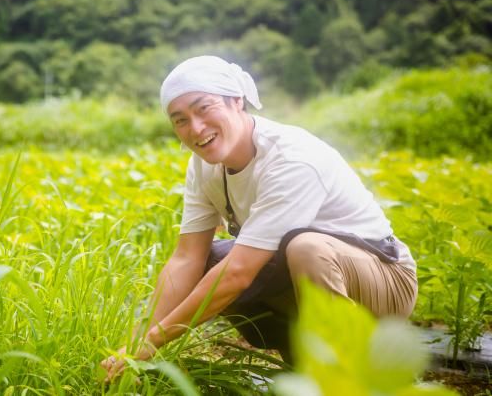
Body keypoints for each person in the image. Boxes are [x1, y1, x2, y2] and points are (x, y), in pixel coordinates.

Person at [101, 55, 417, 381]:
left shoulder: (292, 158)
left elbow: (238, 273)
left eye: (204, 108)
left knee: (304, 248)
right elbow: (186, 259)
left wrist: (153, 341)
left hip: (384, 281)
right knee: (209, 261)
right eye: (180, 119)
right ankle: (300, 359)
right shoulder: (204, 164)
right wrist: (136, 341)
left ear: (236, 101)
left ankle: (345, 371)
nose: (195, 128)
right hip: (311, 276)